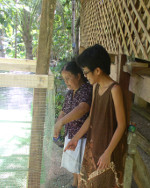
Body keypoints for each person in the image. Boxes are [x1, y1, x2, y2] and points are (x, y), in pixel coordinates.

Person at [66, 44, 128, 187]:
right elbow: (91, 118)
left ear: (98, 70)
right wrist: (75, 138)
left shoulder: (115, 90)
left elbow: (122, 125)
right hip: (94, 144)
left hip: (108, 147)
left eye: (86, 72)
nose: (85, 76)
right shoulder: (95, 88)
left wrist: (108, 153)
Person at [54, 60, 93, 188]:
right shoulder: (70, 92)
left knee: (80, 167)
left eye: (68, 78)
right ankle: (74, 184)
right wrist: (58, 125)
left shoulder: (87, 89)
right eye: (64, 79)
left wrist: (61, 122)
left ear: (78, 76)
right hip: (71, 135)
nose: (66, 82)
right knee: (73, 166)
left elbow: (82, 109)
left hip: (82, 137)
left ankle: (79, 185)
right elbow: (64, 111)